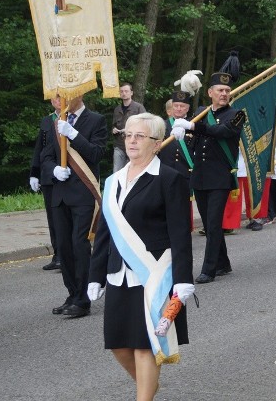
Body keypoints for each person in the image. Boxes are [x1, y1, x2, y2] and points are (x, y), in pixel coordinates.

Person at [88, 113, 194, 401]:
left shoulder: (170, 179)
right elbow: (105, 232)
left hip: (154, 273)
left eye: (139, 136)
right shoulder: (113, 181)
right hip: (118, 274)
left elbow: (180, 233)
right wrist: (95, 275)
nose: (132, 141)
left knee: (145, 343)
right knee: (118, 344)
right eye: (128, 135)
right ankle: (147, 386)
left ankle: (143, 397)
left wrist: (183, 280)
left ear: (157, 144)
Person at [172, 64, 245, 283]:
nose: (224, 94)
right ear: (210, 92)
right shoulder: (201, 113)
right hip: (200, 176)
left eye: (227, 90)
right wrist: (183, 134)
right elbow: (195, 142)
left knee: (213, 224)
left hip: (220, 177)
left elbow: (222, 132)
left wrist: (194, 127)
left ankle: (209, 269)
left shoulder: (237, 115)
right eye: (219, 90)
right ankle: (223, 262)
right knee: (208, 221)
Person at [41, 94, 107, 318]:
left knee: (80, 245)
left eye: (68, 94)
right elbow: (46, 156)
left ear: (80, 94)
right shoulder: (56, 121)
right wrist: (53, 170)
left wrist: (74, 135)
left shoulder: (96, 120)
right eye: (59, 95)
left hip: (83, 194)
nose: (63, 98)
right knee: (64, 247)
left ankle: (83, 299)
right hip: (60, 194)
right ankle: (72, 293)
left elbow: (97, 154)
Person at [30, 95, 62, 271]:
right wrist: (34, 173)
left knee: (63, 218)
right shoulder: (46, 120)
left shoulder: (70, 118)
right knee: (52, 217)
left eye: (61, 97)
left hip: (66, 176)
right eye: (55, 98)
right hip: (48, 177)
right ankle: (57, 254)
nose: (58, 100)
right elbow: (39, 149)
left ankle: (67, 256)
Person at [159, 90, 195, 230]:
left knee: (184, 207)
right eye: (176, 106)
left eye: (182, 106)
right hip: (166, 171)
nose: (179, 109)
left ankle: (183, 234)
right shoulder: (162, 125)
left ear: (187, 108)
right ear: (171, 107)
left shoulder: (193, 125)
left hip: (185, 172)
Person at [112, 83, 147, 173]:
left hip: (134, 145)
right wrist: (114, 129)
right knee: (116, 171)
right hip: (119, 145)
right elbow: (114, 124)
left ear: (131, 93)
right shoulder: (117, 109)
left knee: (132, 171)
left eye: (126, 91)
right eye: (121, 91)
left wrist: (130, 130)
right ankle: (117, 187)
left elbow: (145, 125)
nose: (124, 93)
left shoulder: (139, 107)